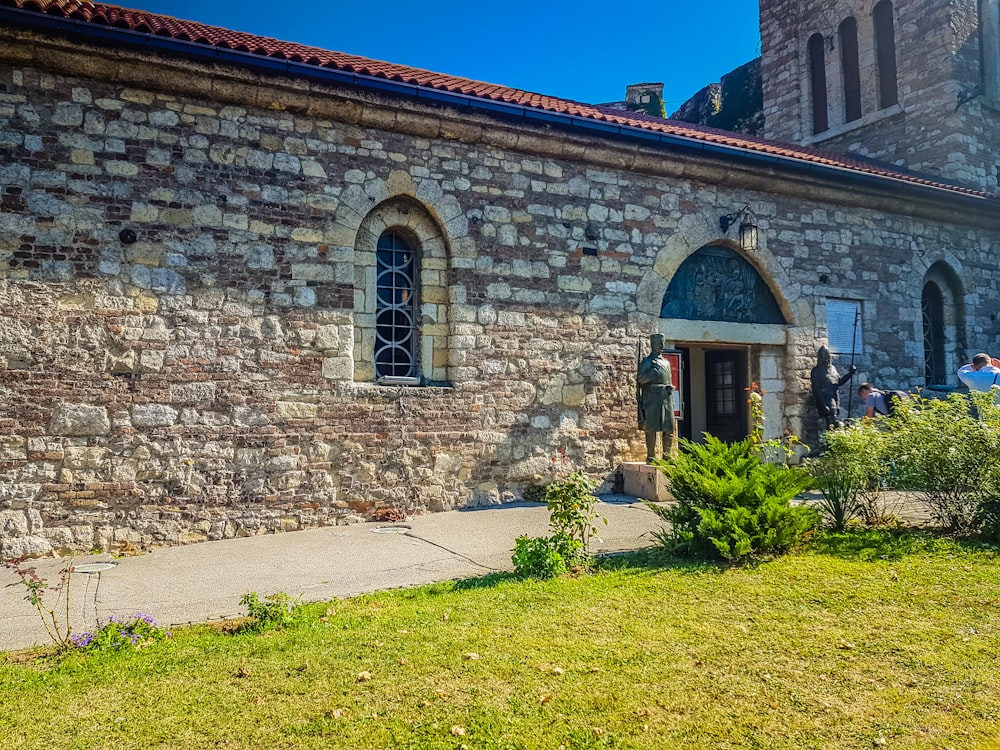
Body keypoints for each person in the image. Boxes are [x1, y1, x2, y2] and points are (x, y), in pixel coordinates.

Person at [637, 333, 675, 462]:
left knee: (669, 427)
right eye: (659, 343)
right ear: (653, 344)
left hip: (666, 399)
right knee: (651, 428)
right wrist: (653, 373)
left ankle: (667, 456)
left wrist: (670, 387)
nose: (662, 346)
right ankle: (651, 456)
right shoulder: (648, 362)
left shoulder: (666, 362)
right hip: (652, 399)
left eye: (662, 343)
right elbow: (641, 379)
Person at [810, 345, 857, 429]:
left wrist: (850, 374)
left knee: (834, 423)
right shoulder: (816, 371)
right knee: (831, 423)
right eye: (824, 358)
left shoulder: (833, 369)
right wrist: (823, 405)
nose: (826, 360)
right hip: (825, 399)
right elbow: (816, 390)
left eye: (828, 358)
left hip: (834, 399)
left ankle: (833, 439)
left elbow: (838, 383)